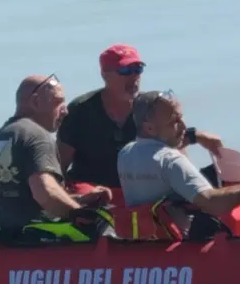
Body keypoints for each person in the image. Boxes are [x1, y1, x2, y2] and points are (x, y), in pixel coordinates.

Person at [57, 43, 223, 206]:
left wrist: (194, 136)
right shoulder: (80, 110)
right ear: (105, 74)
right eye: (125, 71)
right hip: (92, 192)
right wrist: (67, 200)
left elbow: (173, 142)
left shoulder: (149, 106)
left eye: (138, 69)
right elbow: (59, 165)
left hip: (138, 193)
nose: (134, 77)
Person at [117, 90, 240, 235]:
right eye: (174, 121)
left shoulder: (125, 154)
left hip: (153, 235)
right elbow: (212, 202)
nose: (182, 125)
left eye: (180, 117)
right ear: (149, 127)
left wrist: (192, 136)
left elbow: (163, 155)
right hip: (189, 238)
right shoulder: (170, 161)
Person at [0, 74, 113, 241]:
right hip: (30, 243)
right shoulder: (36, 135)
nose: (65, 110)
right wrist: (79, 214)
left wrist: (81, 199)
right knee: (99, 227)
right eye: (58, 101)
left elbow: (17, 201)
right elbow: (45, 193)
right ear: (36, 102)